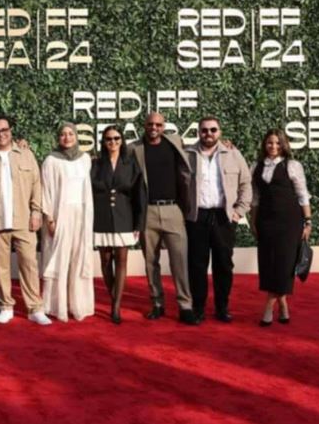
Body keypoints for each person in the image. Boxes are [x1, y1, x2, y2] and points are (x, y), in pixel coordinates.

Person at [0, 115, 50, 325]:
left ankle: (35, 308)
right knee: (0, 267)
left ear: (11, 130)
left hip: (24, 221)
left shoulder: (26, 154)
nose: (1, 134)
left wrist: (36, 212)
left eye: (4, 129)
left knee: (29, 265)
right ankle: (6, 306)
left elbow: (36, 185)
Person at [130, 112, 198, 325]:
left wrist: (227, 145)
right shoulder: (134, 148)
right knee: (151, 262)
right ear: (144, 125)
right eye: (150, 124)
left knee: (180, 261)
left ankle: (185, 306)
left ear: (164, 126)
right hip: (147, 211)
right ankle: (157, 303)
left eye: (158, 125)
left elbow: (200, 149)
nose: (154, 128)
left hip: (173, 210)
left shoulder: (175, 141)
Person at [185, 116, 252, 323]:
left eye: (213, 130)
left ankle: (222, 307)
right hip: (197, 217)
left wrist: (239, 212)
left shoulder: (233, 154)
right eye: (204, 130)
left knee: (223, 264)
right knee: (197, 265)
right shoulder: (187, 154)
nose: (209, 134)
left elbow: (246, 184)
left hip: (224, 217)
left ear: (219, 132)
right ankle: (198, 308)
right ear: (198, 132)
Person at [250, 129, 311, 326]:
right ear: (264, 144)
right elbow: (255, 198)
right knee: (268, 263)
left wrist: (308, 221)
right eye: (270, 142)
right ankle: (283, 305)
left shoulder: (292, 166)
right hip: (265, 221)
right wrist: (253, 221)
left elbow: (302, 195)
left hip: (289, 222)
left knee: (284, 264)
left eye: (277, 143)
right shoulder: (256, 166)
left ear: (284, 145)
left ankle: (269, 306)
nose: (273, 146)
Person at [90, 125, 145, 324]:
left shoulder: (131, 164)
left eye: (116, 138)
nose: (112, 142)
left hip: (124, 217)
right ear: (103, 142)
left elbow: (139, 194)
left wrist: (139, 223)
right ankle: (114, 296)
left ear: (122, 140)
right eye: (108, 139)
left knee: (121, 261)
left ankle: (116, 306)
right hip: (101, 217)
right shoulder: (95, 164)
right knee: (106, 261)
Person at [40, 123, 94, 323]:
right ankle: (57, 306)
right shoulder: (51, 160)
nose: (67, 137)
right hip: (60, 216)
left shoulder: (85, 159)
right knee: (59, 260)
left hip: (82, 215)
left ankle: (79, 305)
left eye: (71, 133)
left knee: (79, 259)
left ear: (76, 136)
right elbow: (45, 190)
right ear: (58, 137)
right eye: (63, 134)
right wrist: (49, 219)